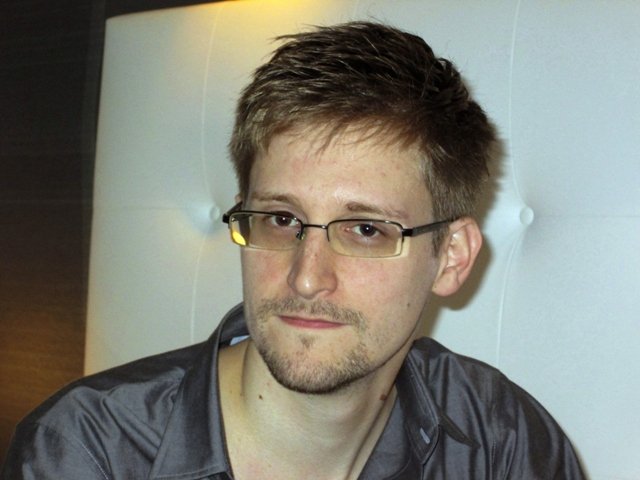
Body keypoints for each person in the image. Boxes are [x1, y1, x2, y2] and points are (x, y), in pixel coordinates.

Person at [2, 21, 585, 479]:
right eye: (282, 219)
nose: (307, 279)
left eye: (365, 230)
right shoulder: (90, 450)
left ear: (451, 256)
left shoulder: (499, 442)